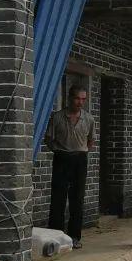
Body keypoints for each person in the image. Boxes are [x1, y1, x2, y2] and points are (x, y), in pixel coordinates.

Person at [46, 84, 95, 249]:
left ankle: (74, 237)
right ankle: (54, 236)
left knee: (77, 199)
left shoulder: (89, 119)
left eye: (83, 99)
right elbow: (49, 139)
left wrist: (81, 152)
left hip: (80, 160)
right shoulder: (57, 117)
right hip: (61, 158)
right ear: (69, 98)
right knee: (58, 198)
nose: (80, 102)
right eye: (77, 98)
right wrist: (59, 151)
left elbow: (91, 141)